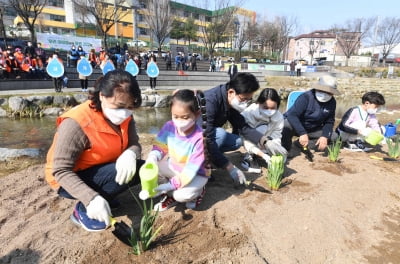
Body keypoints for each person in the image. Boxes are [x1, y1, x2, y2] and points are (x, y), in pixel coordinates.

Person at [45, 69, 143, 232]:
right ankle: (83, 209)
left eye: (130, 106)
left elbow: (134, 143)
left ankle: (105, 195)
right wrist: (91, 199)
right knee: (125, 174)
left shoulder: (126, 116)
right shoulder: (76, 124)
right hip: (69, 179)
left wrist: (131, 153)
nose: (125, 112)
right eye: (119, 106)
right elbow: (61, 170)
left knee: (139, 168)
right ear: (102, 96)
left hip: (100, 166)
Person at [145, 89, 210, 211]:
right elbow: (160, 145)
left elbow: (190, 171)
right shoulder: (169, 126)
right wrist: (153, 156)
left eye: (185, 117)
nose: (179, 122)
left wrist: (171, 185)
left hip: (196, 174)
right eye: (175, 116)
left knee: (180, 195)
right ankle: (171, 194)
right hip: (176, 167)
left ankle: (198, 192)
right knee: (153, 166)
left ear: (197, 114)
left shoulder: (199, 138)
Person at [201, 72, 263, 185]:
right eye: (244, 99)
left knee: (237, 141)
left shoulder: (230, 101)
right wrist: (228, 166)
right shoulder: (210, 101)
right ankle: (203, 166)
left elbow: (242, 126)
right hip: (194, 139)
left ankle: (214, 158)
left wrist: (264, 140)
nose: (245, 103)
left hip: (208, 135)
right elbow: (206, 138)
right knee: (220, 134)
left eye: (248, 100)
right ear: (231, 92)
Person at [281, 75, 339, 153]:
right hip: (298, 126)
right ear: (317, 88)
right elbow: (292, 115)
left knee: (334, 137)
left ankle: (299, 145)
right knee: (286, 124)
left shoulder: (332, 102)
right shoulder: (306, 97)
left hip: (313, 129)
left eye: (329, 93)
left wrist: (325, 136)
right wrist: (302, 133)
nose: (325, 94)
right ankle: (286, 148)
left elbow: (329, 121)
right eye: (322, 90)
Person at [240, 88, 287, 170]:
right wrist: (262, 155)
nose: (269, 111)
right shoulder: (248, 113)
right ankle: (250, 156)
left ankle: (266, 154)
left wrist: (274, 147)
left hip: (266, 141)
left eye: (273, 108)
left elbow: (277, 135)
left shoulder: (279, 117)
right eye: (265, 107)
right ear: (258, 103)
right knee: (260, 129)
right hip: (250, 140)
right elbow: (245, 137)